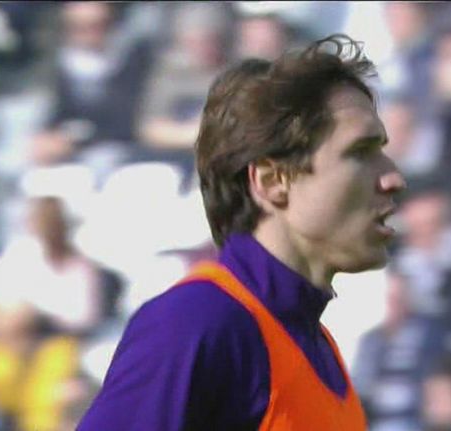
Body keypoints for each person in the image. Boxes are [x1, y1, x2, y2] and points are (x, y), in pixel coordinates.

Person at [78, 34, 406, 430]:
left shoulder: (319, 347)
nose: (393, 178)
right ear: (272, 181)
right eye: (360, 153)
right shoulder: (195, 322)